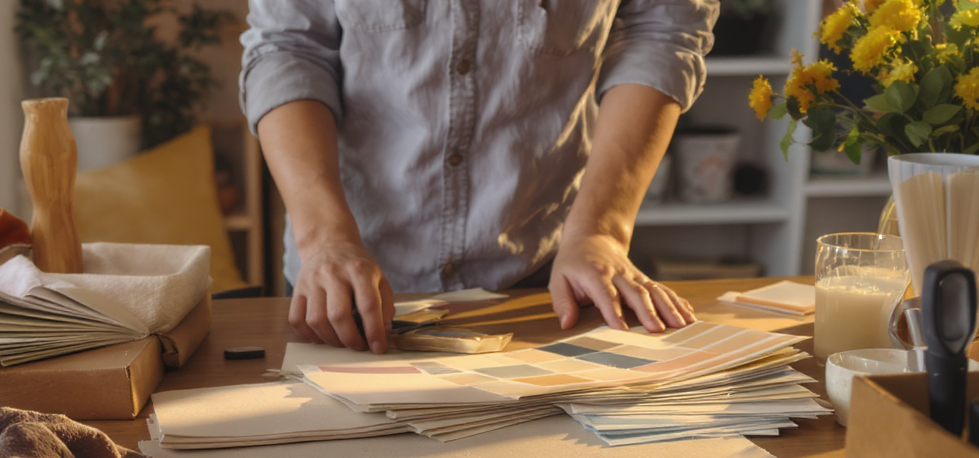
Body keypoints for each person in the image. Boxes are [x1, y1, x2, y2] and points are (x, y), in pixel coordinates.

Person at [240, 0, 719, 354]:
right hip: (342, 276)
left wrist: (601, 230)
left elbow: (663, 32)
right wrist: (325, 238)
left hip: (545, 275)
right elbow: (287, 49)